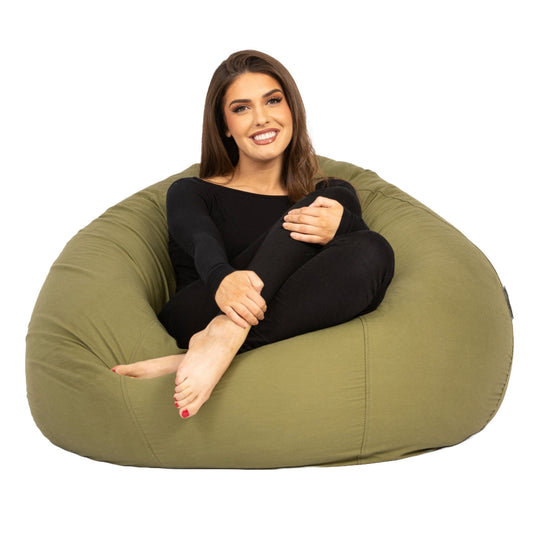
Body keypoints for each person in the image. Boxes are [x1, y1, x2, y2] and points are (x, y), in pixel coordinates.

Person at [112, 50, 394, 419]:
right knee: (323, 208)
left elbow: (355, 268)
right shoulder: (191, 191)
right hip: (202, 310)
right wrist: (222, 279)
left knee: (370, 245)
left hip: (263, 317)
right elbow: (201, 243)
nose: (261, 118)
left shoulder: (331, 193)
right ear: (225, 126)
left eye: (273, 101)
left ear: (292, 110)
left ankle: (221, 342)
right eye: (242, 108)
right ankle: (219, 332)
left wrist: (343, 227)